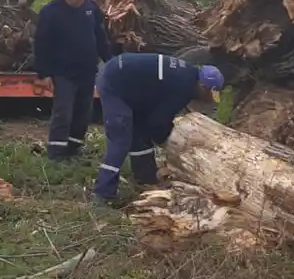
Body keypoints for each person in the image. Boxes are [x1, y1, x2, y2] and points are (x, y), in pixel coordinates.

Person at [92, 52, 224, 203]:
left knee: (140, 131)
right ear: (203, 86)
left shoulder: (186, 74)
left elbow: (154, 116)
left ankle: (145, 178)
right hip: (115, 82)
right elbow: (158, 122)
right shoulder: (183, 87)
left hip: (130, 83)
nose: (207, 100)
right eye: (209, 95)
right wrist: (167, 141)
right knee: (120, 139)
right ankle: (102, 194)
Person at [32, 0, 114, 161]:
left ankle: (74, 149)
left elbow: (101, 38)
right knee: (63, 113)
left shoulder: (90, 9)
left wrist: (110, 61)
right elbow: (41, 44)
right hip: (63, 73)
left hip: (86, 71)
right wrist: (43, 74)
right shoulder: (50, 13)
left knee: (83, 113)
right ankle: (57, 154)